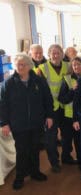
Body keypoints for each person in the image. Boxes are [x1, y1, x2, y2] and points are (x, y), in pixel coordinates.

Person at [0, 53, 53, 190]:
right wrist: (4, 123)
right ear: (14, 66)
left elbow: (48, 99)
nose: (20, 67)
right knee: (22, 151)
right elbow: (2, 105)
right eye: (18, 64)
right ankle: (20, 176)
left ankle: (35, 172)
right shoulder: (9, 83)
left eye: (23, 64)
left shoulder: (39, 81)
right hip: (18, 124)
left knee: (35, 148)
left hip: (36, 122)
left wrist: (49, 116)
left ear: (30, 66)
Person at [35, 44, 69, 173]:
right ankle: (54, 162)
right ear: (49, 55)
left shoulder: (68, 66)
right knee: (50, 138)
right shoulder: (41, 69)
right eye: (53, 53)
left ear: (62, 54)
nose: (56, 55)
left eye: (58, 52)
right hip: (49, 109)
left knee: (67, 135)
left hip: (65, 107)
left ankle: (66, 157)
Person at [58, 57, 81, 167]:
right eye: (74, 65)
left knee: (79, 140)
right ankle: (66, 158)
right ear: (72, 67)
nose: (77, 67)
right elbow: (62, 99)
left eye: (79, 64)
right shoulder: (67, 79)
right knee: (67, 139)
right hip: (68, 116)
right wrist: (72, 90)